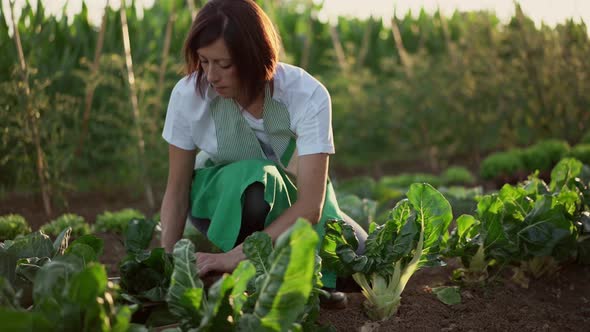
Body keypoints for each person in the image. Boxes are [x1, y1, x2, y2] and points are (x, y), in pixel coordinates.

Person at [159, 0, 366, 306]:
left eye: (224, 64)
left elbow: (311, 205)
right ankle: (250, 278)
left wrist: (235, 256)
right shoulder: (188, 95)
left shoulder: (306, 95)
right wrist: (167, 265)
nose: (211, 75)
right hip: (222, 201)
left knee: (359, 260)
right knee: (257, 182)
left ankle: (267, 270)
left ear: (255, 58)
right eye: (204, 61)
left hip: (292, 204)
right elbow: (176, 190)